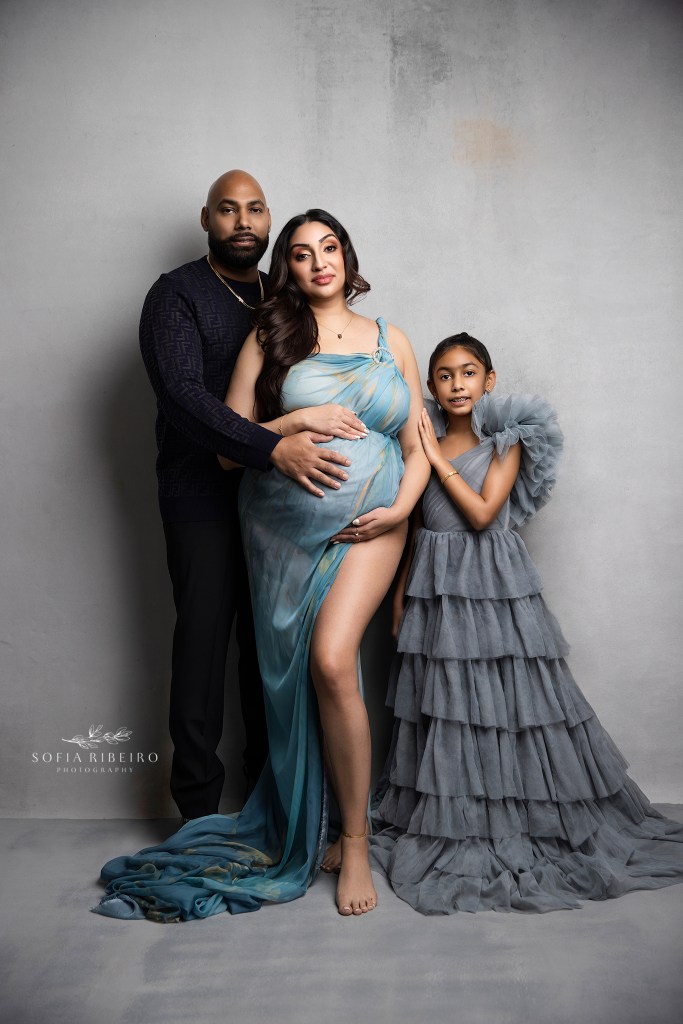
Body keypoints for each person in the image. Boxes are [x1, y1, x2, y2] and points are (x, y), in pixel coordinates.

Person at [93, 209, 430, 921]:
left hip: (373, 525)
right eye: (302, 254)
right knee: (300, 679)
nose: (319, 263)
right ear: (289, 269)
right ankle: (320, 823)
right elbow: (228, 444)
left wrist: (400, 510)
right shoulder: (267, 338)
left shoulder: (390, 337)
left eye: (329, 247)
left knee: (335, 661)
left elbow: (417, 443)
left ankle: (357, 840)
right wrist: (295, 421)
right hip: (280, 533)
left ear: (347, 253)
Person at [370, 332, 683, 913]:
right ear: (431, 386)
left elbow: (486, 514)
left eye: (468, 372)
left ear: (488, 380)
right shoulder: (423, 440)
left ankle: (510, 809)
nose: (456, 384)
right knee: (446, 700)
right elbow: (415, 526)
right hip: (434, 580)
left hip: (489, 579)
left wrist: (438, 460)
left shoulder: (504, 442)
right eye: (443, 374)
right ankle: (453, 805)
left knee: (503, 700)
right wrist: (398, 596)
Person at [139, 172, 357, 821]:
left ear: (269, 222)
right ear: (207, 218)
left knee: (270, 648)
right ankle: (199, 814)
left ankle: (269, 797)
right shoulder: (175, 295)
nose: (242, 221)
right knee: (204, 643)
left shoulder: (282, 294)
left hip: (276, 498)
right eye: (228, 210)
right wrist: (274, 443)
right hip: (200, 494)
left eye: (254, 210)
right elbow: (183, 395)